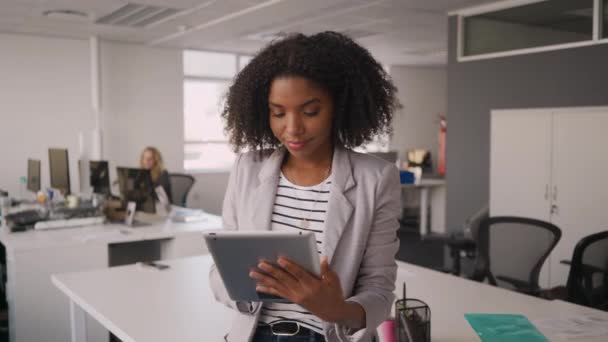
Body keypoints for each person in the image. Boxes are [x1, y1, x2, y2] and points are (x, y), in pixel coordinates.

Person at [211, 31, 401, 342]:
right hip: (254, 334)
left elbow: (379, 290)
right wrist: (248, 290)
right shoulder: (247, 169)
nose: (293, 128)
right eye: (278, 113)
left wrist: (337, 309)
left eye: (311, 111)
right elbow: (219, 270)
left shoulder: (376, 180)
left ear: (339, 106)